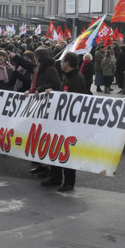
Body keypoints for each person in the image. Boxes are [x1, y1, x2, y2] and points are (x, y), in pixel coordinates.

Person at [41, 52, 87, 191]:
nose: (60, 64)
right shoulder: (67, 77)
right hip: (61, 119)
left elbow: (77, 101)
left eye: (62, 62)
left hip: (70, 122)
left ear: (68, 63)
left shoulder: (77, 79)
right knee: (56, 146)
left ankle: (69, 181)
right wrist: (54, 92)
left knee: (67, 151)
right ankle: (56, 177)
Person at [27, 46, 62, 176]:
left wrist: (40, 89)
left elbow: (56, 84)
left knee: (43, 135)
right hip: (39, 104)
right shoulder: (41, 69)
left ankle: (47, 167)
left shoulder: (49, 69)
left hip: (46, 107)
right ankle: (42, 164)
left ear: (39, 58)